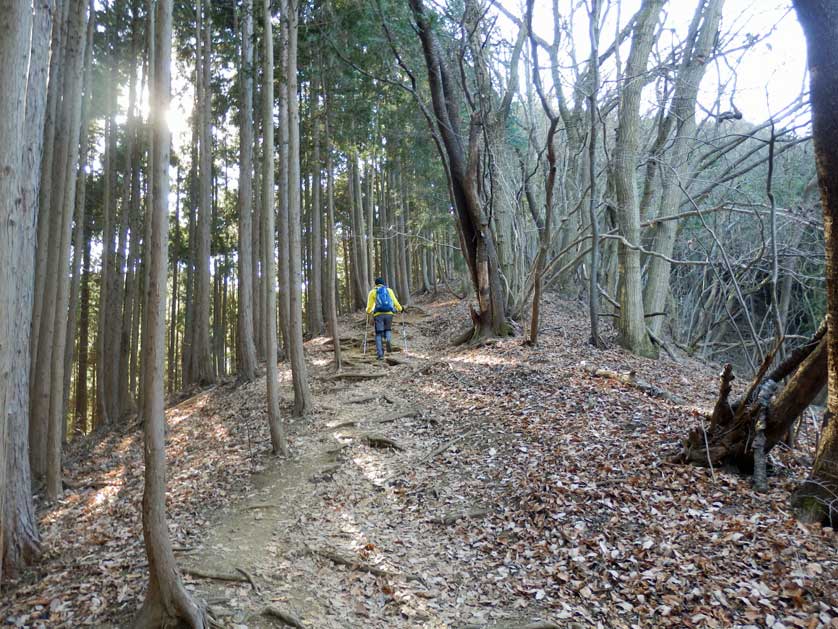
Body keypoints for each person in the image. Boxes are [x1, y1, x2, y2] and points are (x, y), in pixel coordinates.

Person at [366, 277, 403, 360]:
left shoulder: (373, 292)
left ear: (376, 284)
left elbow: (369, 306)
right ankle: (388, 340)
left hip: (378, 315)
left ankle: (380, 355)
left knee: (378, 334)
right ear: (383, 283)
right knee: (388, 329)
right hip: (389, 314)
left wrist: (368, 311)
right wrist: (400, 309)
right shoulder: (389, 290)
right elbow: (395, 301)